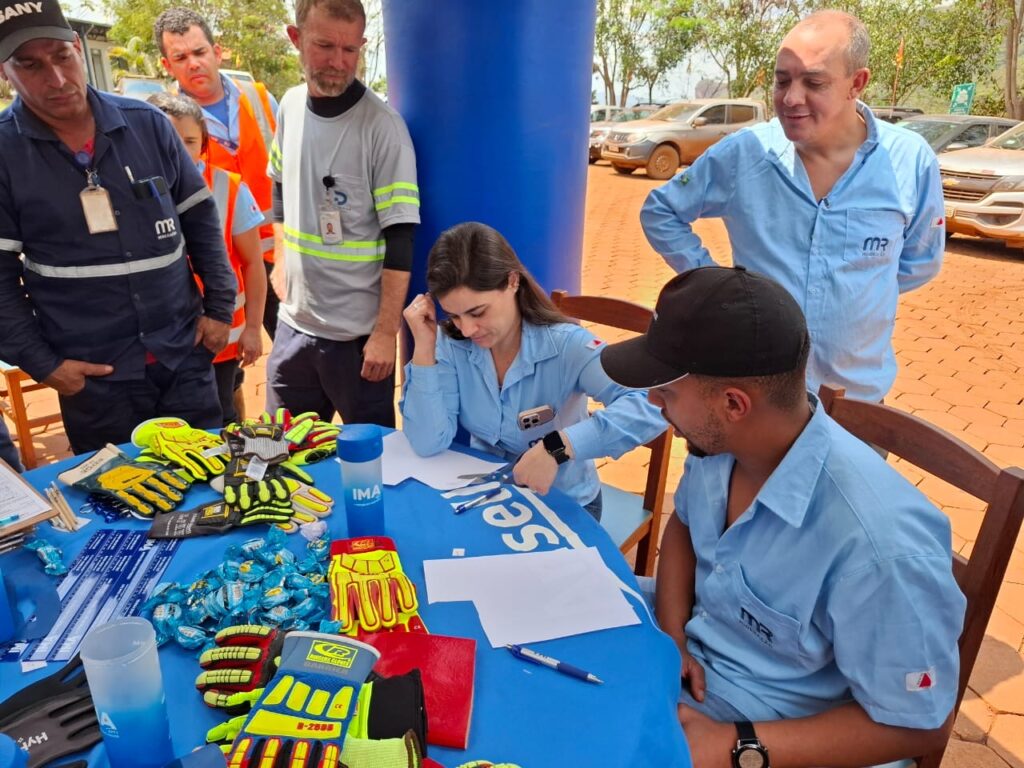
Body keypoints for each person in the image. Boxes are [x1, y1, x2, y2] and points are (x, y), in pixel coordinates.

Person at [600, 265, 966, 768]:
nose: (652, 401)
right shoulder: (718, 446)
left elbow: (917, 724)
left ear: (733, 403)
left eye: (665, 392)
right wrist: (672, 635)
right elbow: (685, 523)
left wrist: (736, 745)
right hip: (690, 668)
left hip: (775, 736)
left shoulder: (877, 548)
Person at [640, 10, 944, 404]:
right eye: (782, 81)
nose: (791, 98)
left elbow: (918, 261)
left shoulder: (910, 161)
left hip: (854, 403)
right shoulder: (745, 154)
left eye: (814, 82)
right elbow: (661, 211)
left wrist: (858, 292)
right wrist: (715, 283)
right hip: (751, 396)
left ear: (858, 83)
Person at [0, 0, 236, 454]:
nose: (56, 79)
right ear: (6, 72)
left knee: (213, 490)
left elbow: (200, 219)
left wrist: (220, 310)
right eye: (30, 65)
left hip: (183, 356)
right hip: (94, 380)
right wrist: (44, 365)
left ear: (77, 48)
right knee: (120, 507)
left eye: (62, 57)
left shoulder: (148, 125)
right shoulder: (5, 153)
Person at [400, 222, 666, 520]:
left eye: (478, 312)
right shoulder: (451, 343)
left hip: (564, 502)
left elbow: (651, 403)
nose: (467, 328)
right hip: (488, 498)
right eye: (454, 315)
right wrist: (423, 349)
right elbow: (427, 441)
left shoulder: (567, 345)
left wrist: (560, 446)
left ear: (512, 281)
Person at [266, 0, 419, 427]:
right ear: (295, 39)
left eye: (350, 50)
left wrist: (386, 334)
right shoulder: (290, 106)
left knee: (372, 469)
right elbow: (277, 182)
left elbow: (402, 238)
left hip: (357, 344)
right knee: (277, 456)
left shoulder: (382, 129)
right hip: (293, 330)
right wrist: (280, 257)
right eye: (324, 46)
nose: (338, 62)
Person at [155, 7, 280, 340]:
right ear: (167, 65)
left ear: (217, 51)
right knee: (225, 351)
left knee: (297, 349)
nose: (193, 63)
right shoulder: (161, 120)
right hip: (217, 259)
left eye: (200, 52)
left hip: (279, 249)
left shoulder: (260, 98)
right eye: (180, 57)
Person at [149, 92, 267, 424]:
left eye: (189, 140)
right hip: (161, 340)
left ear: (202, 145)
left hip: (219, 340)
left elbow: (253, 263)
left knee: (218, 419)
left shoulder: (227, 187)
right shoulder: (133, 191)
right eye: (169, 138)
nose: (178, 149)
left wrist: (254, 328)